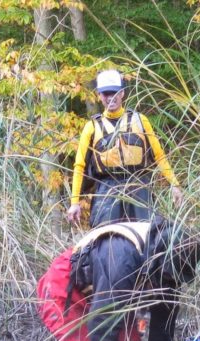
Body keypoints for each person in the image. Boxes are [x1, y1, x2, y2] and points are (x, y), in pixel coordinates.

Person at [37, 216, 200, 341]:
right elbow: (103, 320)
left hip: (102, 289)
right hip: (66, 286)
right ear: (159, 258)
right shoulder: (122, 257)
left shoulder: (172, 259)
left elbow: (165, 309)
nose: (170, 281)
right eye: (167, 276)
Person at [65, 69, 184, 228]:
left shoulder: (140, 121)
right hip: (107, 189)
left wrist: (174, 184)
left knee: (147, 237)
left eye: (114, 92)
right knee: (104, 240)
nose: (110, 97)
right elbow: (80, 166)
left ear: (122, 93)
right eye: (106, 93)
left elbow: (158, 155)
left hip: (139, 187)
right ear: (99, 96)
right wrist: (75, 202)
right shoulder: (91, 127)